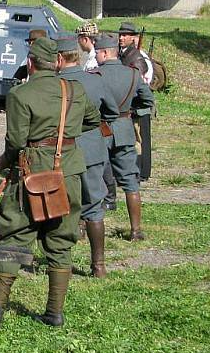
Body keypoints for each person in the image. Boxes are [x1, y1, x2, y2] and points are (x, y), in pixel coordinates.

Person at [0, 37, 101, 331]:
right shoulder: (74, 89)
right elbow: (94, 120)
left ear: (31, 62)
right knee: (61, 240)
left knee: (13, 237)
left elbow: (15, 142)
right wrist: (64, 137)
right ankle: (54, 313)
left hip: (30, 174)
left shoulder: (20, 94)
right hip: (68, 174)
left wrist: (6, 163)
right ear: (58, 62)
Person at [56, 36, 120, 277]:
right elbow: (112, 112)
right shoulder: (95, 81)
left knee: (63, 207)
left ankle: (62, 263)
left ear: (59, 58)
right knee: (94, 207)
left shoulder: (54, 84)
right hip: (93, 150)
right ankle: (99, 266)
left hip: (62, 152)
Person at [95, 32, 155, 241]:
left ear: (104, 52)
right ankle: (136, 230)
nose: (95, 57)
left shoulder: (95, 75)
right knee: (130, 181)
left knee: (92, 180)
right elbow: (147, 100)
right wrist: (129, 109)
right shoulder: (133, 75)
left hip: (100, 131)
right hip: (124, 129)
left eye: (97, 53)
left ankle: (86, 227)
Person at [117, 21, 154, 182]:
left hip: (137, 105)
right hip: (129, 105)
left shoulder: (136, 57)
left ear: (133, 38)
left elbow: (138, 83)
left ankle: (138, 172)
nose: (121, 37)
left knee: (138, 140)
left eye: (125, 35)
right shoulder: (124, 54)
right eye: (120, 34)